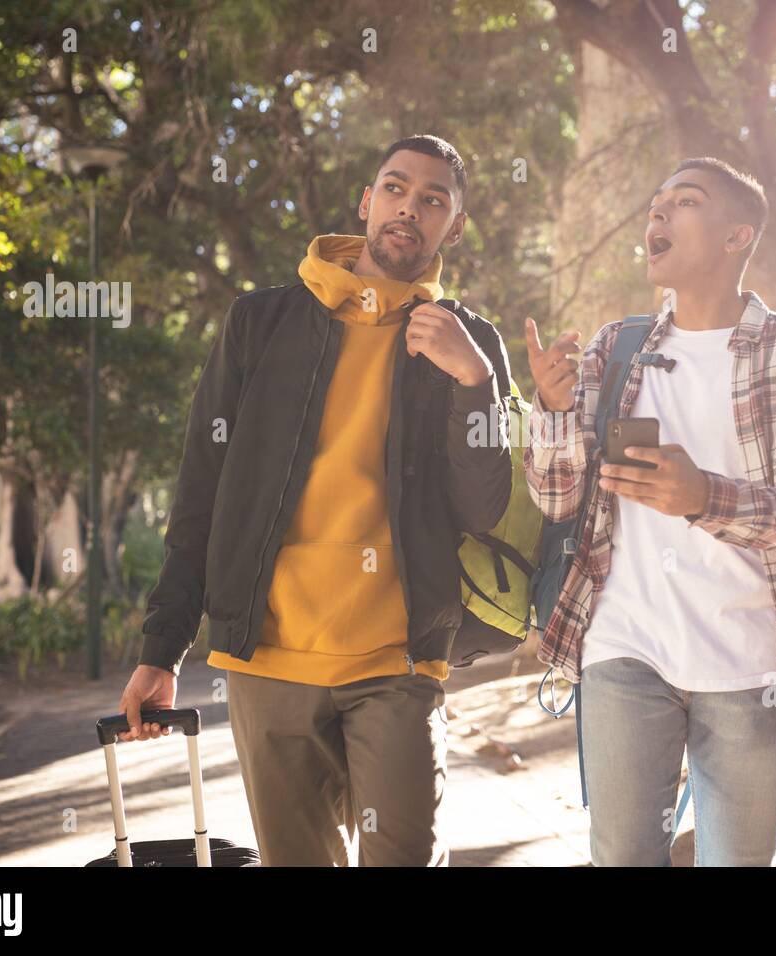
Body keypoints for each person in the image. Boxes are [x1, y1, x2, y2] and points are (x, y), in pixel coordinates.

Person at [117, 134, 513, 866]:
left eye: (433, 200)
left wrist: (474, 382)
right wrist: (162, 646)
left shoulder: (471, 342)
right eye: (395, 188)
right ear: (366, 203)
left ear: (453, 226)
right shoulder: (259, 323)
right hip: (269, 662)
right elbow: (201, 488)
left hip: (398, 662)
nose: (409, 209)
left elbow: (483, 507)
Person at [523, 157, 776, 866]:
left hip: (750, 662)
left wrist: (704, 496)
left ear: (737, 236)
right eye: (655, 204)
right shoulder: (618, 347)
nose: (657, 216)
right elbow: (557, 500)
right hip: (624, 646)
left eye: (683, 202)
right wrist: (551, 412)